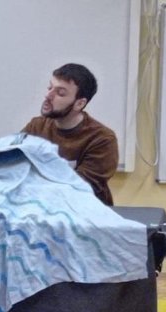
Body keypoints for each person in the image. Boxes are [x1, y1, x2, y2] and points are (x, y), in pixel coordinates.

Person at [22, 63, 119, 206]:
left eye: (60, 93)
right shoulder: (36, 127)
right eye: (50, 88)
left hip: (84, 213)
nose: (48, 96)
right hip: (38, 209)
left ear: (79, 104)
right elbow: (15, 167)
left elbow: (79, 188)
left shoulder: (102, 139)